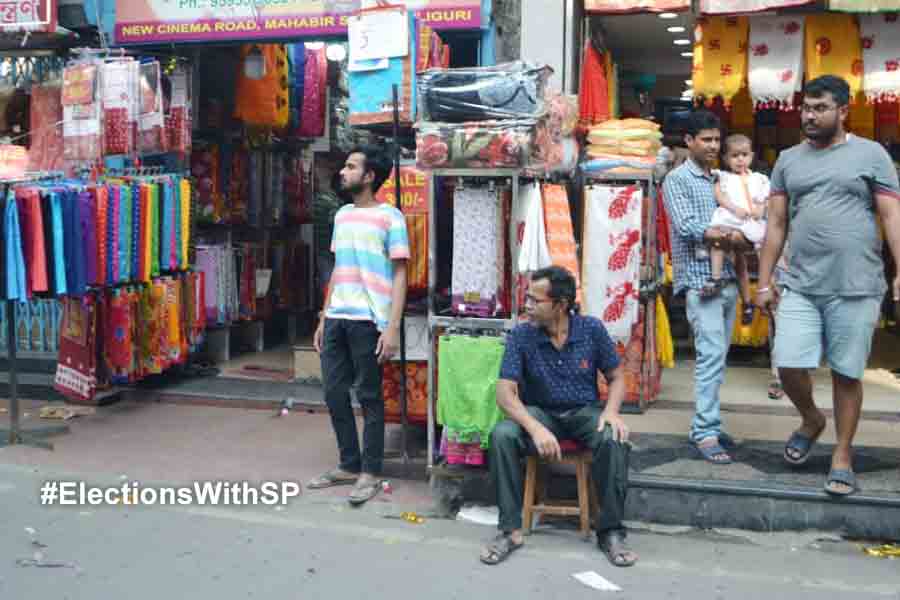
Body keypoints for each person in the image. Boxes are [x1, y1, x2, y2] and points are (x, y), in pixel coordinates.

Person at [756, 75, 900, 496]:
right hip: (800, 281)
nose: (809, 116)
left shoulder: (871, 155)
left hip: (856, 284)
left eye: (820, 108)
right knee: (789, 365)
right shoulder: (787, 160)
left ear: (843, 111)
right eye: (805, 108)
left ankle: (842, 453)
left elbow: (891, 217)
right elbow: (777, 223)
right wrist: (764, 282)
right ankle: (812, 420)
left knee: (846, 372)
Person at [479, 266, 636, 568]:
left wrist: (612, 412)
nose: (527, 306)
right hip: (541, 413)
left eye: (534, 300)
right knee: (502, 435)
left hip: (584, 412)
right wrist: (534, 427)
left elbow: (616, 377)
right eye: (527, 298)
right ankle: (510, 530)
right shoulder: (521, 335)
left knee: (614, 437)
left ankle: (611, 531)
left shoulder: (591, 329)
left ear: (561, 304)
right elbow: (504, 394)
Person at [308, 146, 410, 505]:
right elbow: (338, 268)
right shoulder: (342, 216)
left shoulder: (390, 217)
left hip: (370, 320)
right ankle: (349, 464)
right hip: (338, 317)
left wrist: (392, 327)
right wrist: (324, 316)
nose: (343, 172)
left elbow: (400, 274)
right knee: (334, 393)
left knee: (369, 396)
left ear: (369, 177)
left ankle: (370, 469)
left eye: (351, 167)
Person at [662, 109, 744, 465]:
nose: (713, 146)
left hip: (726, 278)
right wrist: (731, 234)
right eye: (706, 140)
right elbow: (686, 225)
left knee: (718, 357)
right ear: (689, 141)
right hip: (699, 281)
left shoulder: (722, 178)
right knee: (710, 357)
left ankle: (710, 422)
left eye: (716, 140)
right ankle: (705, 431)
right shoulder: (677, 180)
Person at [704, 134, 771, 327]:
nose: (740, 159)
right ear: (725, 159)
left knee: (760, 252)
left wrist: (761, 208)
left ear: (751, 156)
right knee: (718, 240)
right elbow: (719, 195)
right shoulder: (723, 177)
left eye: (744, 155)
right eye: (734, 156)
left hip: (750, 222)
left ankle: (761, 291)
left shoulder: (759, 179)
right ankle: (716, 277)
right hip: (731, 218)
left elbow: (765, 199)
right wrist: (733, 208)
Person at [311, 172, 349, 303]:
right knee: (330, 289)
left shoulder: (319, 198)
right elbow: (338, 227)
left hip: (320, 250)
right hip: (329, 253)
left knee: (326, 285)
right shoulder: (333, 203)